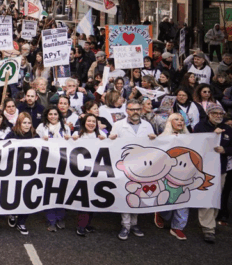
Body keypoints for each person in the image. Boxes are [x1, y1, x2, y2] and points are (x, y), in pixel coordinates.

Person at [110, 99, 158, 240]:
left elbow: (153, 147)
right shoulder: (119, 125)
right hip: (125, 166)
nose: (135, 112)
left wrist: (155, 139)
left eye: (137, 109)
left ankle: (134, 223)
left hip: (142, 166)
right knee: (126, 194)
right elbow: (111, 145)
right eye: (132, 109)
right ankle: (125, 225)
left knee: (138, 194)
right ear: (127, 111)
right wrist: (111, 139)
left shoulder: (147, 125)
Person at [192, 102, 232, 243]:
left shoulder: (227, 128)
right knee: (207, 196)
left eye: (220, 114)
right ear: (208, 114)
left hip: (221, 169)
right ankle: (208, 228)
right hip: (204, 169)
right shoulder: (200, 127)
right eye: (215, 113)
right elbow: (195, 145)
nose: (218, 116)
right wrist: (211, 136)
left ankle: (210, 222)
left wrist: (225, 150)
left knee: (217, 196)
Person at [151, 113, 192, 240]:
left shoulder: (192, 139)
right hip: (167, 174)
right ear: (169, 122)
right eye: (176, 119)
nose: (180, 122)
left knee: (184, 199)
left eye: (182, 120)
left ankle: (178, 227)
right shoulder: (162, 137)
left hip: (185, 173)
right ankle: (162, 213)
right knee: (168, 196)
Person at [36, 107, 71, 231]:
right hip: (47, 164)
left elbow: (71, 145)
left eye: (55, 114)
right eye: (50, 114)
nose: (53, 116)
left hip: (62, 164)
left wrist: (69, 139)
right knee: (49, 192)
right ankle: (51, 220)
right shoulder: (41, 128)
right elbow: (35, 144)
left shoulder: (65, 128)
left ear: (59, 116)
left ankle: (60, 217)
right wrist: (41, 140)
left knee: (61, 191)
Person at [72, 114, 106, 236]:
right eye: (89, 121)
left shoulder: (102, 134)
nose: (91, 123)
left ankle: (87, 224)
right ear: (84, 122)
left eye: (93, 121)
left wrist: (107, 140)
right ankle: (81, 225)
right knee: (84, 199)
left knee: (93, 198)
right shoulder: (77, 134)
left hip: (96, 172)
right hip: (82, 172)